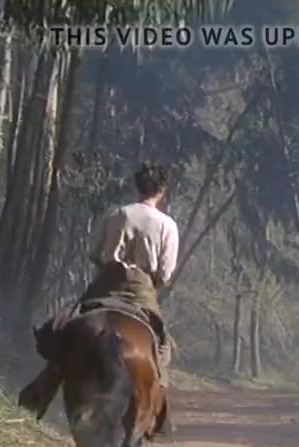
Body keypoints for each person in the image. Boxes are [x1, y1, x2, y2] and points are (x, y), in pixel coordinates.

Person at [19, 163, 180, 430]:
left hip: (105, 283)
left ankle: (43, 388)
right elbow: (164, 272)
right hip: (143, 289)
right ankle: (159, 407)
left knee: (65, 329)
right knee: (162, 346)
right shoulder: (167, 225)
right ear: (162, 191)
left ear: (137, 186)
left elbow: (94, 252)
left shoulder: (116, 213)